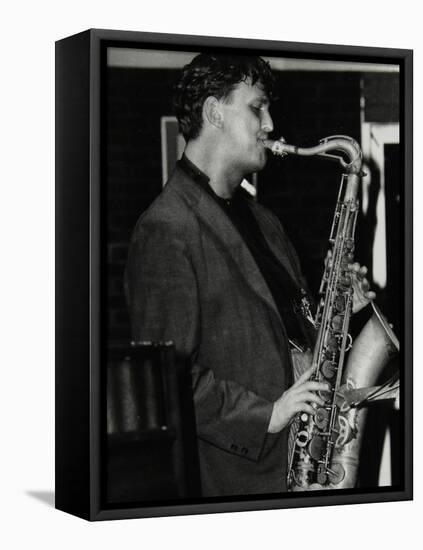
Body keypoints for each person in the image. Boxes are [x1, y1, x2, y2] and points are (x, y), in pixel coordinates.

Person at [124, 53, 374, 497]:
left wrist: (336, 312)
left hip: (301, 465)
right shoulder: (167, 228)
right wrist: (269, 415)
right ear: (214, 112)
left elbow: (288, 338)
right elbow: (170, 379)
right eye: (257, 107)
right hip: (238, 484)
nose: (271, 123)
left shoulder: (265, 222)